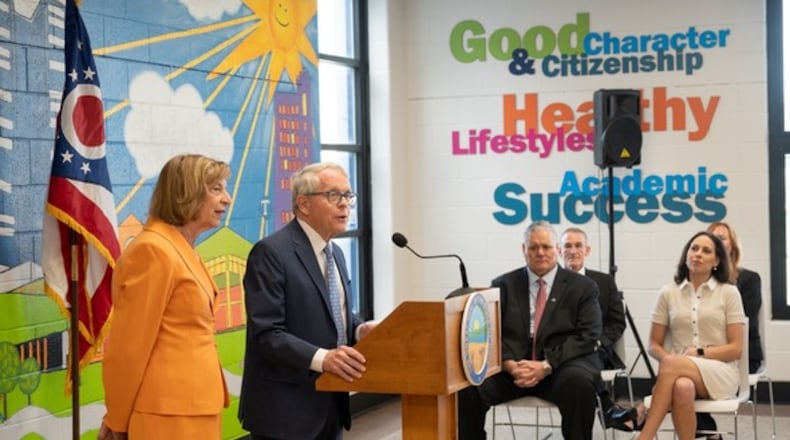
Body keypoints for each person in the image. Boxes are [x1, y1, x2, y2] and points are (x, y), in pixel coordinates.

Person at [239, 162, 376, 440]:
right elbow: (267, 333)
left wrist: (359, 330)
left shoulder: (335, 253)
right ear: (303, 204)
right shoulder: (271, 253)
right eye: (333, 195)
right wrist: (324, 359)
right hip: (285, 412)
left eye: (348, 195)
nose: (345, 204)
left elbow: (333, 315)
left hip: (331, 402)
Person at [98, 154, 232, 440]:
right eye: (216, 189)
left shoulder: (178, 247)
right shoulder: (153, 251)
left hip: (195, 407)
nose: (227, 199)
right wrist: (117, 419)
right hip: (167, 414)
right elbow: (129, 347)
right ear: (186, 193)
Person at [458, 221, 602, 440]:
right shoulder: (503, 285)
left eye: (546, 247)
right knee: (468, 387)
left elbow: (588, 335)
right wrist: (509, 364)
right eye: (533, 247)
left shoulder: (583, 287)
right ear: (524, 249)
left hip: (560, 368)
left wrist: (545, 365)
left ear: (557, 249)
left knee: (580, 385)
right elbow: (492, 333)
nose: (540, 252)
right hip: (513, 369)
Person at [636, 231, 746, 440]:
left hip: (720, 372)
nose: (698, 254)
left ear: (717, 261)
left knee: (673, 365)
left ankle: (645, 436)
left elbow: (736, 349)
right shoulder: (668, 292)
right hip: (679, 372)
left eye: (706, 251)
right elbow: (653, 345)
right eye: (694, 248)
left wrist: (699, 352)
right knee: (682, 387)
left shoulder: (729, 293)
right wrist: (671, 362)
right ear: (686, 255)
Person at [694, 222, 765, 438]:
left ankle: (644, 415)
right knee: (682, 382)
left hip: (740, 356)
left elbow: (747, 325)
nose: (715, 242)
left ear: (732, 246)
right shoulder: (697, 281)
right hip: (703, 354)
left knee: (682, 377)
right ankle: (710, 433)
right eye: (711, 238)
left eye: (722, 238)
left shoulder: (749, 279)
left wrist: (709, 347)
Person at [559, 227, 633, 430]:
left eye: (578, 245)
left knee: (581, 361)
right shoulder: (550, 283)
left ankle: (604, 408)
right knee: (574, 363)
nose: (573, 251)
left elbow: (617, 322)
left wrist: (598, 342)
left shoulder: (605, 282)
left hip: (596, 349)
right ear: (559, 250)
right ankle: (607, 406)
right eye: (567, 246)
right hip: (562, 350)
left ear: (587, 250)